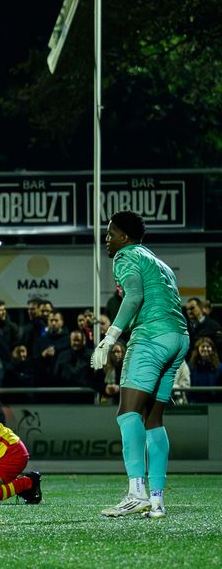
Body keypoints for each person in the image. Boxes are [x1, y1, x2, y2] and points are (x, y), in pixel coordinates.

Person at [90, 210, 190, 519]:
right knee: (153, 419)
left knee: (127, 413)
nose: (107, 240)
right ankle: (157, 500)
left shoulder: (126, 256)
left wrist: (110, 338)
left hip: (152, 338)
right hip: (179, 337)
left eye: (110, 234)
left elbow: (133, 297)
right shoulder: (156, 261)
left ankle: (136, 493)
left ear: (123, 237)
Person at [183, 337, 221, 403]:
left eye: (208, 346)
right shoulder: (190, 366)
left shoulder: (219, 367)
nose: (205, 349)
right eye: (203, 346)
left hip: (214, 404)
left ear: (212, 349)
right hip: (195, 404)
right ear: (198, 349)